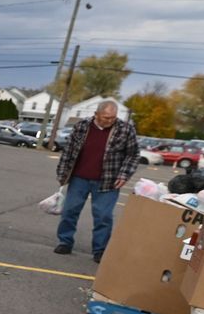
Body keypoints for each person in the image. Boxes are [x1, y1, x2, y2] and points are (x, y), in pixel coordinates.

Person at [54, 100, 140, 262]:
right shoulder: (81, 126)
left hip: (108, 181)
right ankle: (65, 242)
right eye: (106, 117)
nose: (110, 121)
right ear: (96, 115)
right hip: (79, 178)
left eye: (113, 117)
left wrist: (124, 175)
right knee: (69, 212)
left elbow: (133, 155)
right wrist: (62, 173)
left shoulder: (125, 129)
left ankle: (99, 250)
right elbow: (69, 151)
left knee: (103, 217)